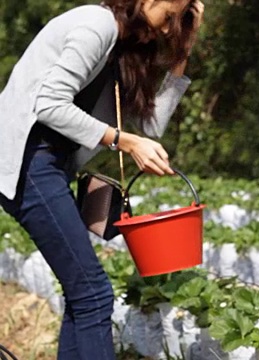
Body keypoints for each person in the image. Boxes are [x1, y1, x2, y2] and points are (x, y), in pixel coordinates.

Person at [0, 0, 204, 358]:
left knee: (83, 294)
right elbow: (48, 103)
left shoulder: (125, 50)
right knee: (94, 293)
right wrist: (122, 141)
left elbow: (151, 127)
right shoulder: (98, 25)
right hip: (27, 160)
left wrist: (183, 51)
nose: (171, 29)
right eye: (170, 16)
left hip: (48, 166)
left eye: (180, 21)